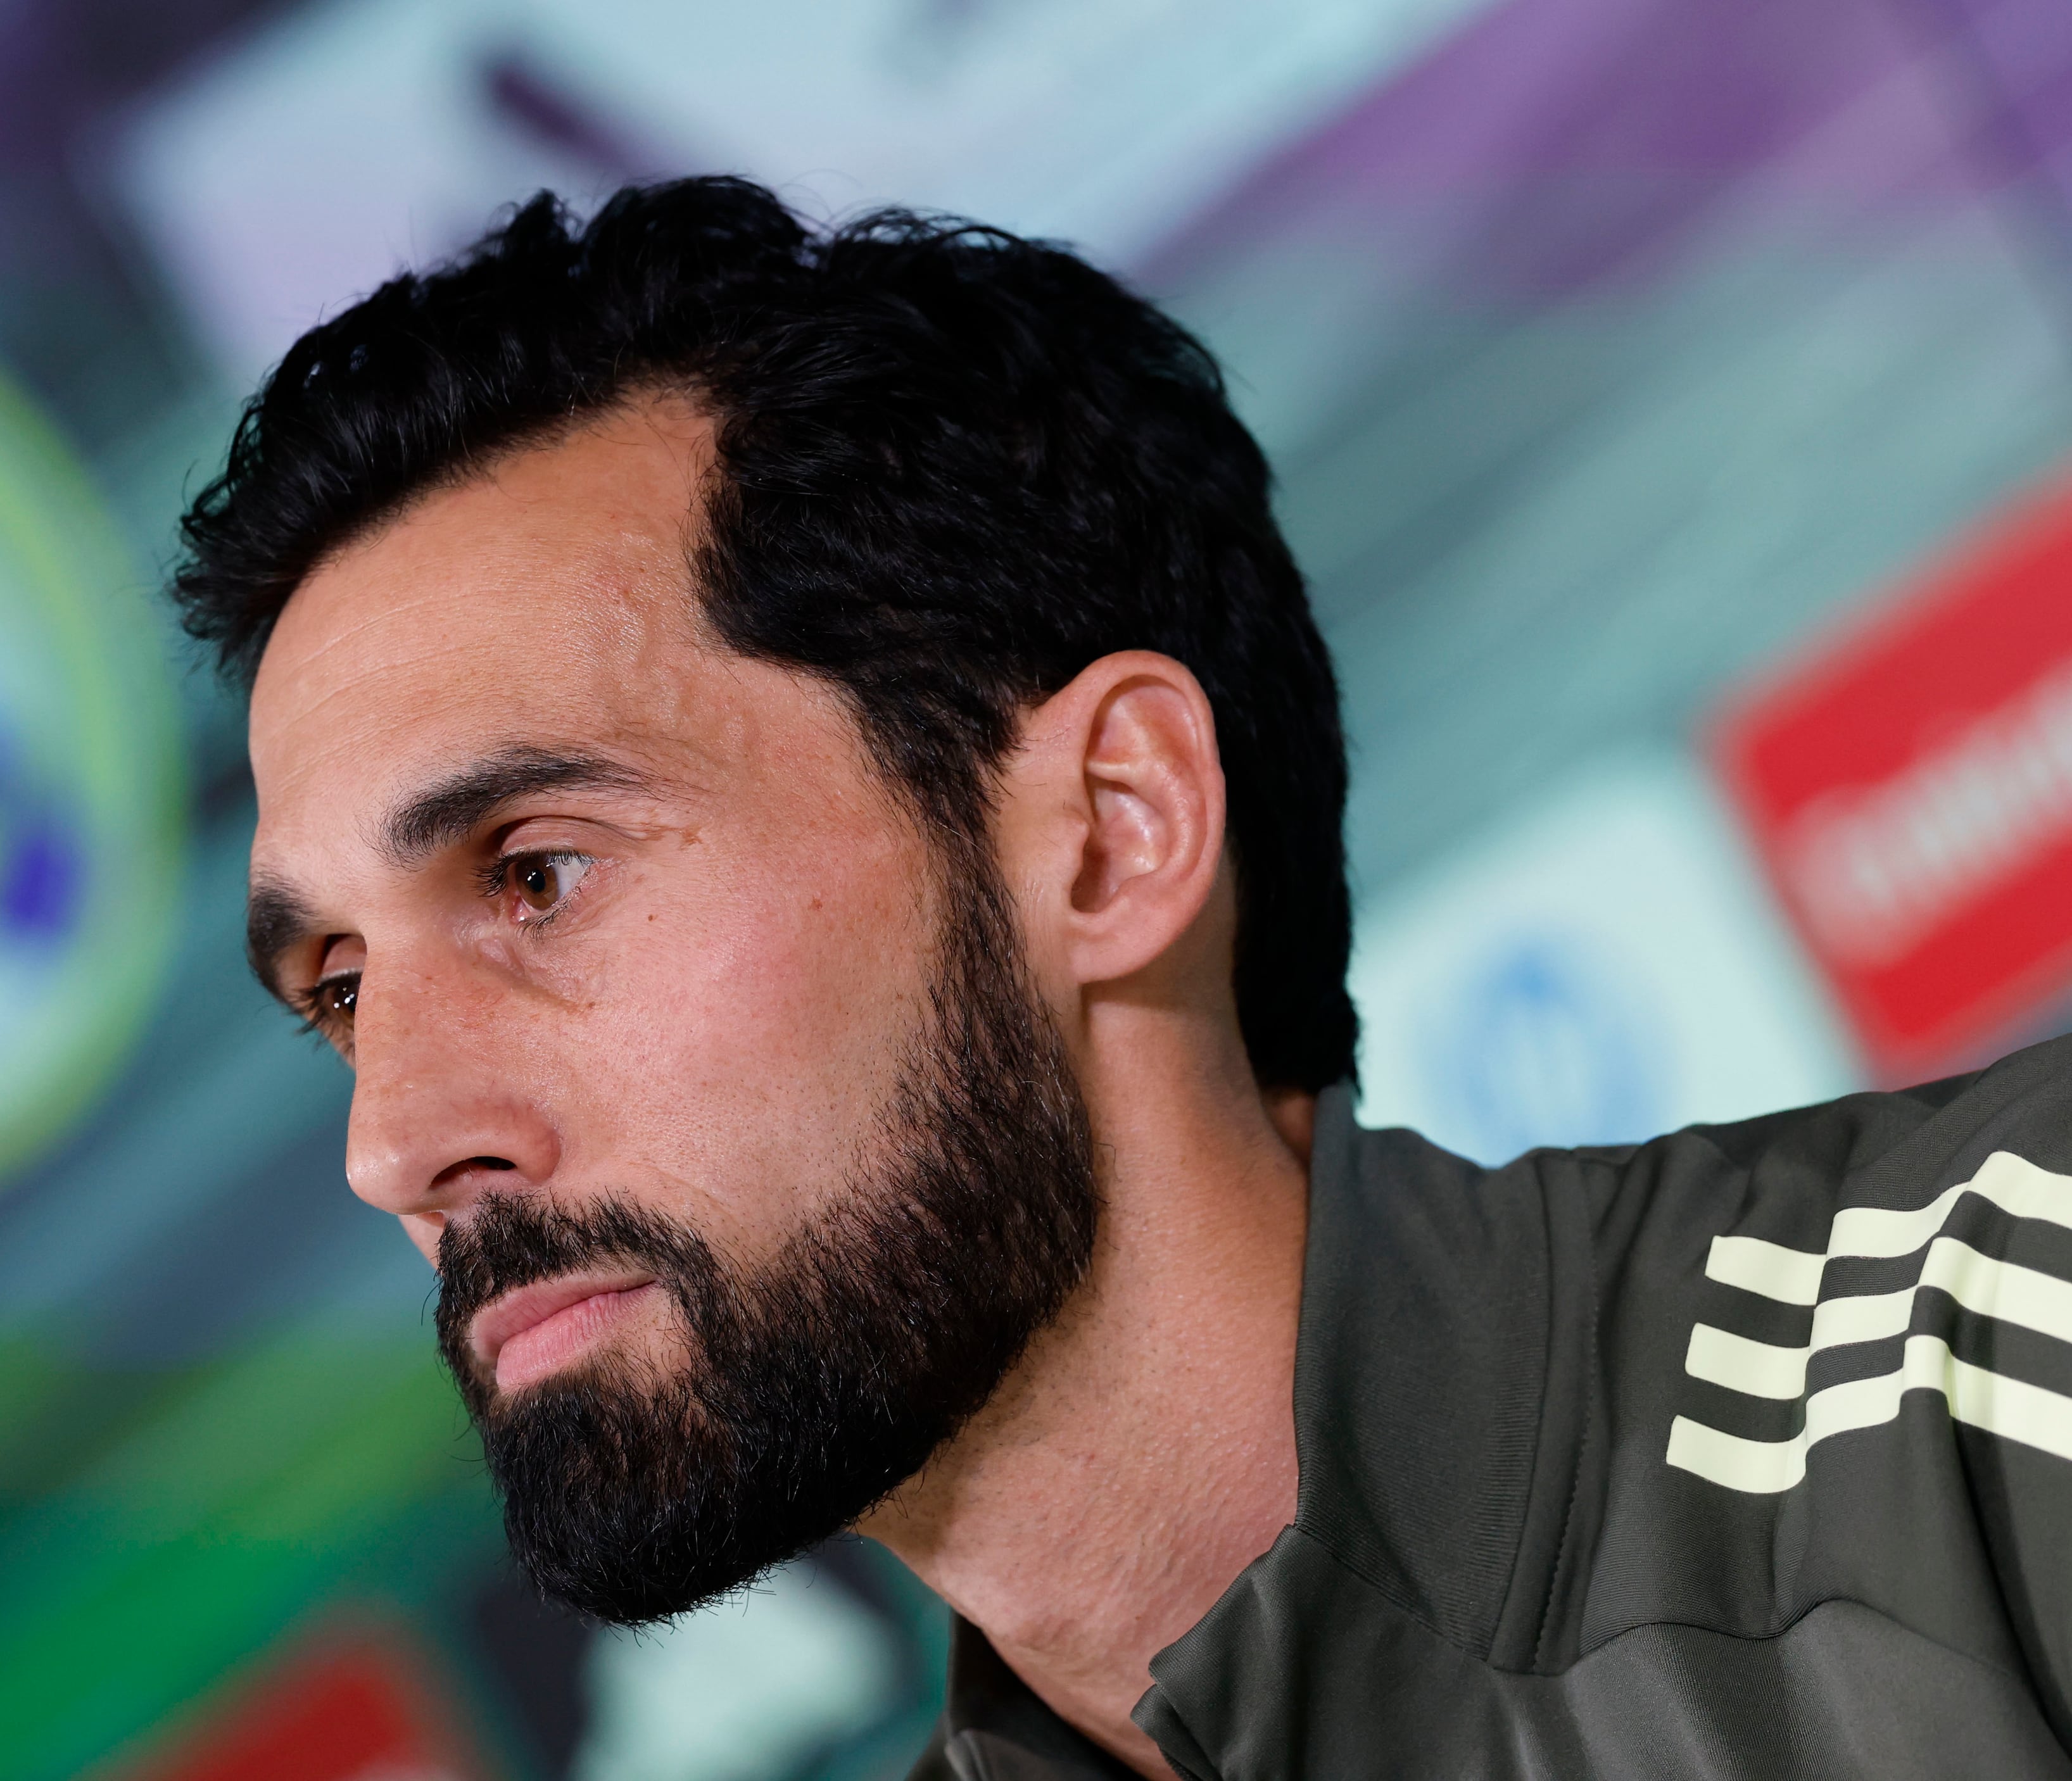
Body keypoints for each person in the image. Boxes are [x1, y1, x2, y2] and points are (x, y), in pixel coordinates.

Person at [166, 177, 2072, 1779]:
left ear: (1112, 829)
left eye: (540, 876)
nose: (398, 1143)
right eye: (338, 989)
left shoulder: (2009, 1370)